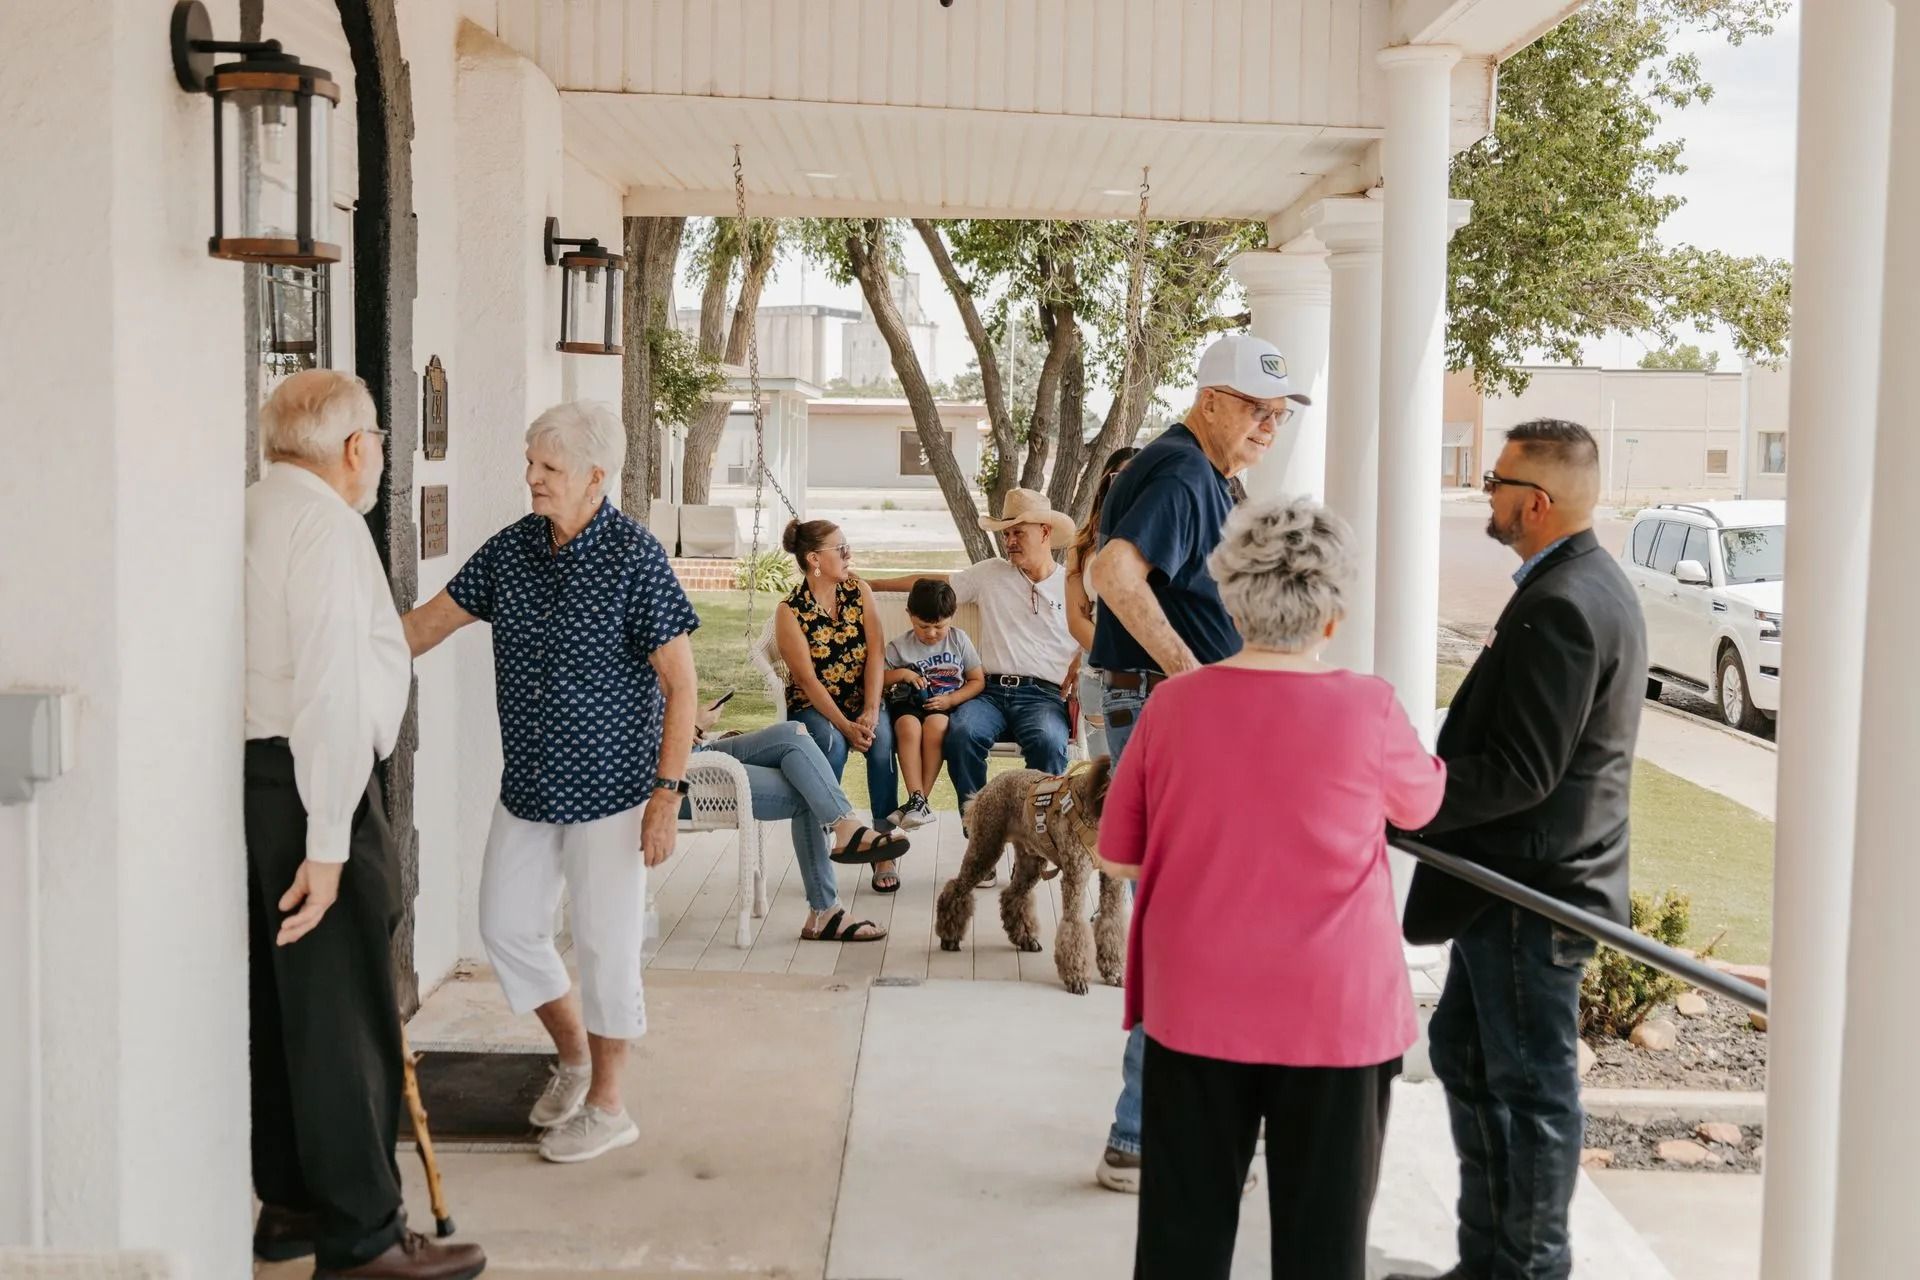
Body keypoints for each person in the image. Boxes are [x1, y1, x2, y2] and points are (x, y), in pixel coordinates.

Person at [1099, 497, 1445, 1280]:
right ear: (1332, 616)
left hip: (1198, 1007)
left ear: (1231, 596)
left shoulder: (1172, 706)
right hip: (1338, 1014)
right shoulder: (1369, 705)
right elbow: (1421, 804)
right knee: (1323, 1248)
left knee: (1181, 1244)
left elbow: (1121, 855)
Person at [403, 401, 699, 1166]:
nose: (531, 479)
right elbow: (426, 625)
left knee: (606, 945)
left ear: (596, 476)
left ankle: (609, 1103)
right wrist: (342, 642)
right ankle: (573, 1056)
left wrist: (666, 795)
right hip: (531, 784)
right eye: (530, 464)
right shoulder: (514, 551)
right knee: (505, 925)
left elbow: (682, 686)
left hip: (613, 791)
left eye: (549, 468)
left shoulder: (634, 558)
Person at [1388, 419, 1648, 1280]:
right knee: (1464, 1055)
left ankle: (1529, 1268)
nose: (1485, 495)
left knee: (1533, 1093)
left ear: (1535, 504)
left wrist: (1403, 799)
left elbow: (1522, 770)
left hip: (1532, 896)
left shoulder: (1567, 604)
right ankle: (1486, 1261)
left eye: (1496, 482)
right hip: (1506, 888)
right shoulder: (1573, 583)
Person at [243, 370, 487, 1278]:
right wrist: (332, 842)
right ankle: (365, 1238)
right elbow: (335, 694)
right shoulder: (329, 528)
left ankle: (295, 1203)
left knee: (289, 1008)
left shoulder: (254, 510)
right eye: (380, 437)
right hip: (315, 785)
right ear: (355, 449)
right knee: (345, 1012)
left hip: (263, 779)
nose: (381, 452)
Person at [1088, 332, 1310, 1193]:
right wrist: (1193, 680)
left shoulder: (1201, 471)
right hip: (1162, 709)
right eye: (1257, 409)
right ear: (1211, 399)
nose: (1269, 426)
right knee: (1192, 924)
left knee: (1194, 919)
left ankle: (1160, 1125)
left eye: (1280, 414)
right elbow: (1114, 571)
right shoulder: (1183, 472)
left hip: (1162, 709)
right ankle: (1140, 1136)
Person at [867, 488, 1081, 827]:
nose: (1009, 541)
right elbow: (930, 583)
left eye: (1018, 532)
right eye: (1006, 533)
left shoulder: (1072, 583)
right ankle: (981, 836)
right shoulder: (990, 574)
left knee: (1049, 742)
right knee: (963, 733)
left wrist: (1081, 659)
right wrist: (872, 584)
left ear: (1045, 532)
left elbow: (1099, 629)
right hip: (990, 692)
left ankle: (1038, 842)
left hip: (1043, 696)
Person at [689, 710, 910, 942]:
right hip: (686, 776)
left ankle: (847, 828)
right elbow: (654, 749)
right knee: (809, 787)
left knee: (792, 732)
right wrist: (694, 724)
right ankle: (826, 910)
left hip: (701, 749)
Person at [774, 518, 905, 892]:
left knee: (881, 747)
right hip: (816, 705)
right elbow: (809, 683)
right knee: (828, 744)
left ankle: (883, 847)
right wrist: (846, 726)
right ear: (814, 559)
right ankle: (831, 838)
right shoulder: (790, 612)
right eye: (840, 548)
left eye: (847, 545)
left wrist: (869, 709)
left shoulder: (857, 590)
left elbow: (877, 652)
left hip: (862, 698)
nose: (848, 554)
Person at [880, 579, 985, 827]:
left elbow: (977, 680)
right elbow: (880, 677)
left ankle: (918, 800)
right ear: (909, 616)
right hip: (910, 702)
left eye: (939, 626)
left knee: (935, 727)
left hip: (945, 704)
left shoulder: (959, 640)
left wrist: (951, 700)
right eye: (923, 626)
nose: (931, 634)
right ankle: (919, 801)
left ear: (952, 616)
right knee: (908, 727)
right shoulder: (899, 646)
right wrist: (904, 674)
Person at [1063, 447, 1138, 757]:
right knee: (1105, 775)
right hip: (1100, 671)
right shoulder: (1082, 547)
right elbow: (1077, 619)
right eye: (1121, 476)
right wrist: (1115, 655)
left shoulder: (1162, 536)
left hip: (1151, 674)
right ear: (1107, 481)